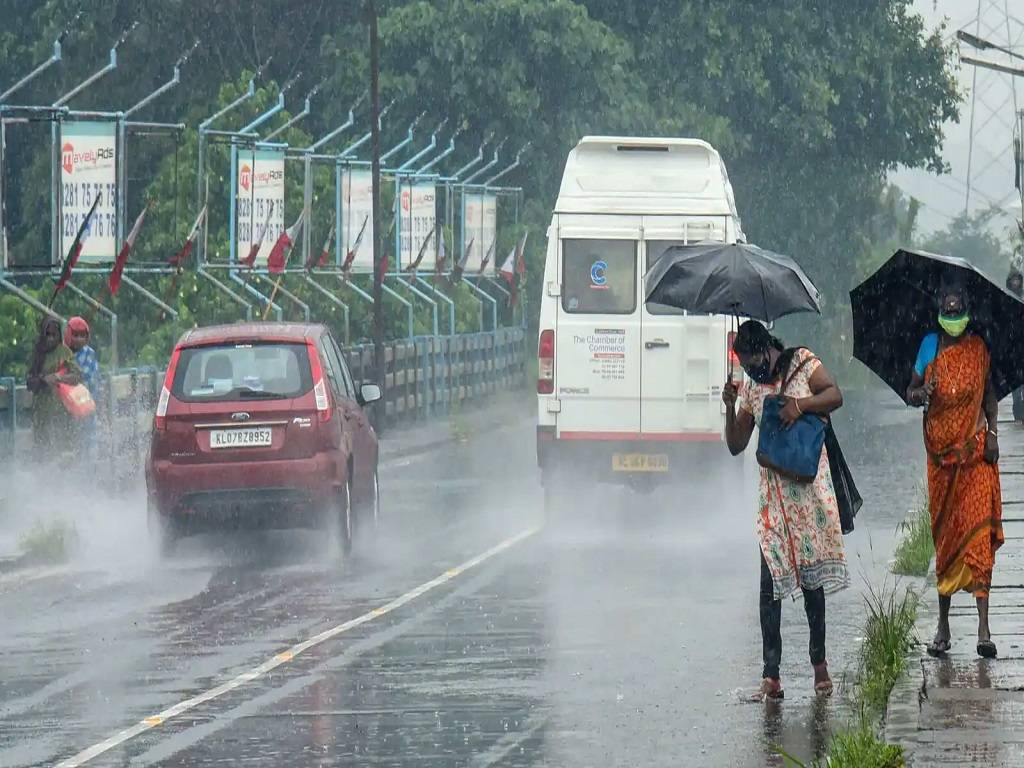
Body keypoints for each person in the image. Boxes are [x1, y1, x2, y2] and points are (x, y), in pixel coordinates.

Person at [722, 320, 848, 701]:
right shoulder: (750, 388)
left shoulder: (803, 363)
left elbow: (835, 395)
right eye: (743, 365)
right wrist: (730, 409)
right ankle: (771, 677)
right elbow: (735, 445)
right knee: (769, 587)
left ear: (767, 349)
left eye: (753, 362)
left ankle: (820, 667)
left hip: (806, 495)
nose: (750, 370)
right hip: (773, 502)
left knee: (812, 585)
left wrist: (800, 405)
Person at [907, 280, 1003, 658]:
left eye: (958, 309)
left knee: (978, 536)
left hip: (976, 454)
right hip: (941, 461)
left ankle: (983, 628)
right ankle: (943, 627)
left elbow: (990, 395)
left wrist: (993, 433)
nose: (953, 316)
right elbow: (911, 391)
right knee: (946, 540)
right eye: (947, 311)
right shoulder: (929, 346)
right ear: (938, 313)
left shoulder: (979, 348)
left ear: (967, 310)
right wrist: (922, 393)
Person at [26, 317, 83, 463]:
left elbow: (77, 376)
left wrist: (58, 378)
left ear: (59, 336)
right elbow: (29, 382)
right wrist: (42, 380)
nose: (50, 339)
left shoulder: (65, 353)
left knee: (63, 454)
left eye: (54, 335)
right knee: (43, 452)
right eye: (48, 335)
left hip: (62, 412)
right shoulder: (38, 353)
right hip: (41, 412)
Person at [64, 316, 100, 459]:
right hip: (68, 409)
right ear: (68, 335)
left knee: (86, 445)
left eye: (82, 336)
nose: (78, 339)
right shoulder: (63, 354)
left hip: (85, 406)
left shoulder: (88, 354)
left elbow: (85, 377)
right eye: (75, 335)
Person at [1006, 270, 1024, 424]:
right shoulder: (1005, 299)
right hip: (1012, 350)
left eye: (1018, 280)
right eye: (1013, 280)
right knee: (1016, 388)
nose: (1015, 283)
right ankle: (1018, 412)